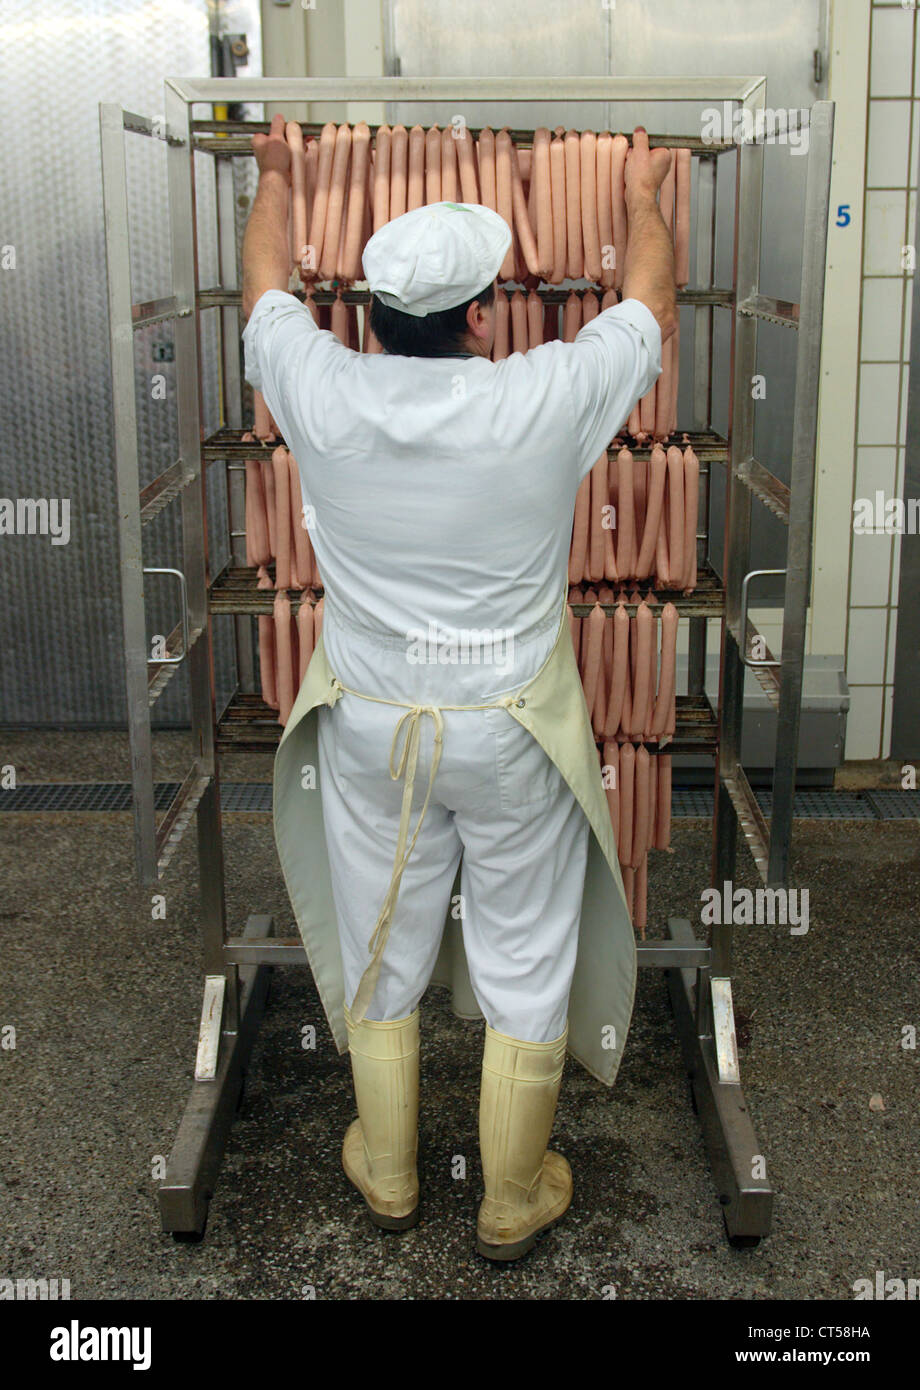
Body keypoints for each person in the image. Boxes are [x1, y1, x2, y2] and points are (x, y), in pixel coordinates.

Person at [241, 114, 676, 1261]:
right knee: (522, 946)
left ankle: (387, 1175)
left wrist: (278, 168)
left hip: (374, 724)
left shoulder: (320, 387)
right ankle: (508, 1194)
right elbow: (648, 309)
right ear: (481, 315)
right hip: (510, 729)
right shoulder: (538, 398)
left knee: (382, 936)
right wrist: (635, 190)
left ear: (370, 317)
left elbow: (261, 284)